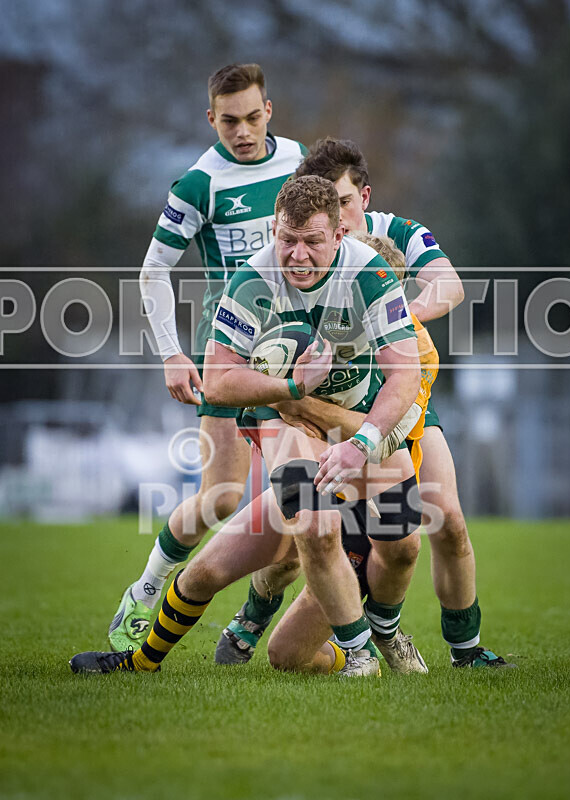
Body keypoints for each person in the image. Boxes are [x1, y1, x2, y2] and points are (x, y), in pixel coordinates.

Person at [70, 175, 424, 677]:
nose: (297, 255)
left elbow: (404, 373)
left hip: (363, 427)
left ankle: (385, 634)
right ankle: (142, 661)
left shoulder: (371, 275)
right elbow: (217, 382)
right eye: (288, 240)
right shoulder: (252, 280)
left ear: (339, 237)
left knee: (405, 546)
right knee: (276, 543)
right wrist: (291, 389)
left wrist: (362, 441)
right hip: (289, 419)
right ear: (273, 231)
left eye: (312, 242)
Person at [219, 138, 513, 669]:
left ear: (363, 200)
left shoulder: (393, 236)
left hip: (386, 401)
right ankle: (254, 616)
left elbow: (449, 286)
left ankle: (455, 650)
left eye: (344, 203)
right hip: (310, 401)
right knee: (303, 524)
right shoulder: (294, 257)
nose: (335, 218)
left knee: (440, 516)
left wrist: (390, 321)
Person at [108, 63, 307, 651]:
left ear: (268, 111)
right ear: (210, 118)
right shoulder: (197, 184)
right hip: (226, 351)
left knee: (300, 501)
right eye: (228, 121)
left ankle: (250, 621)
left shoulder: (299, 161)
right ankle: (146, 589)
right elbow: (153, 271)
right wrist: (172, 354)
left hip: (298, 350)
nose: (241, 131)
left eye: (251, 117)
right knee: (222, 496)